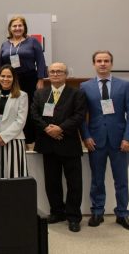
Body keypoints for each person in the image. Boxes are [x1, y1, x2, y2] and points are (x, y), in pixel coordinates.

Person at [81, 51, 129, 231]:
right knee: (97, 179)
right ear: (94, 64)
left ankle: (122, 214)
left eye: (106, 61)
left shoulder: (124, 85)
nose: (103, 64)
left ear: (111, 64)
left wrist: (128, 137)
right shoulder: (85, 86)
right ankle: (97, 211)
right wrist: (86, 136)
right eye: (99, 61)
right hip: (95, 141)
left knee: (121, 180)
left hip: (120, 141)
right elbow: (81, 116)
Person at [31, 62, 86, 233]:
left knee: (74, 183)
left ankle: (73, 216)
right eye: (52, 72)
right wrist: (48, 129)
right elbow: (34, 114)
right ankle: (57, 212)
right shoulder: (40, 93)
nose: (55, 74)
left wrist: (60, 128)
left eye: (59, 72)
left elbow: (79, 115)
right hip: (49, 144)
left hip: (69, 143)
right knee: (52, 182)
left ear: (66, 75)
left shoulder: (76, 94)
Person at [0, 15, 46, 144]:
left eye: (20, 25)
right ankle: (12, 135)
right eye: (14, 26)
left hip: (30, 79)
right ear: (10, 28)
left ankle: (30, 139)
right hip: (11, 81)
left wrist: (40, 79)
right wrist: (1, 81)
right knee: (12, 108)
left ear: (24, 27)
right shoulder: (5, 44)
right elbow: (2, 65)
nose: (17, 28)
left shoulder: (32, 41)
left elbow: (41, 61)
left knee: (29, 108)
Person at [0, 64, 29, 178]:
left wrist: (4, 137)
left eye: (9, 76)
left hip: (14, 140)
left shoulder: (22, 95)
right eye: (3, 76)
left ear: (14, 78)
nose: (5, 79)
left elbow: (20, 121)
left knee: (14, 174)